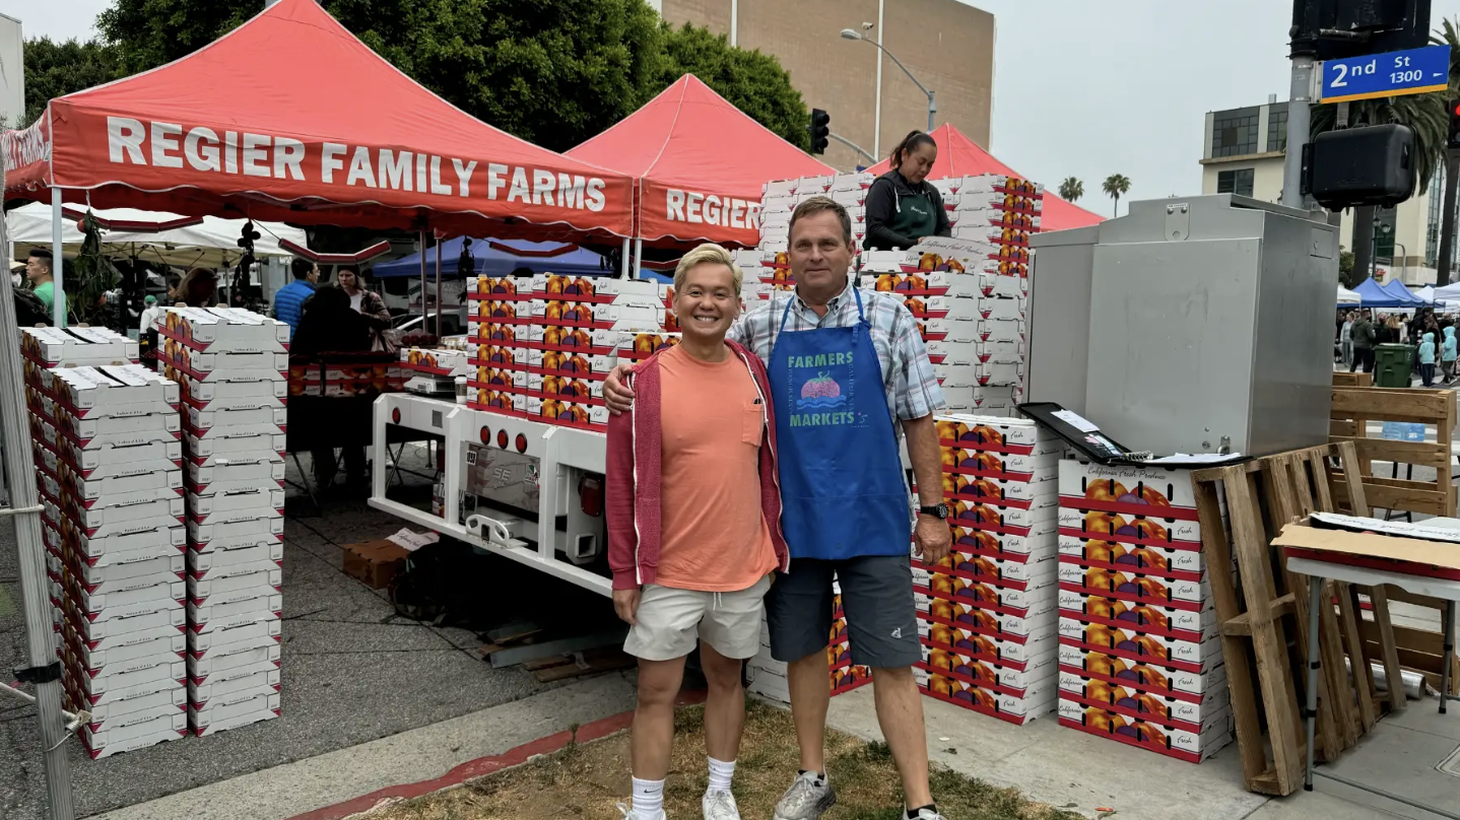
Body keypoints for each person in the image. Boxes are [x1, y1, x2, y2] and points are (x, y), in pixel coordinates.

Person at [604, 196, 953, 820]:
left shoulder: (890, 317)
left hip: (874, 518)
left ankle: (920, 804)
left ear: (852, 251)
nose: (815, 255)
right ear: (786, 256)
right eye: (803, 245)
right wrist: (623, 376)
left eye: (827, 243)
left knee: (894, 661)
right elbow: (697, 348)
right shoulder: (759, 327)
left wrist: (933, 509)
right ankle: (813, 776)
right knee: (803, 651)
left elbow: (920, 418)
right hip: (794, 528)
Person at [606, 244, 789, 820]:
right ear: (674, 301)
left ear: (737, 305)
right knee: (655, 692)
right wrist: (623, 572)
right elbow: (620, 484)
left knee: (726, 681)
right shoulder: (640, 382)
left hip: (740, 565)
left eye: (720, 293)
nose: (707, 303)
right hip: (670, 571)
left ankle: (719, 789)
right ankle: (647, 807)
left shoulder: (754, 373)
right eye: (695, 292)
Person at [292, 286, 375, 491]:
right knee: (353, 430)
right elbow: (365, 350)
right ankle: (356, 471)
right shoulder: (355, 319)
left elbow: (297, 352)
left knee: (319, 430)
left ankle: (325, 472)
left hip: (317, 392)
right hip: (353, 390)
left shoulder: (311, 319)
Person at [863, 131, 952, 251]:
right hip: (885, 264)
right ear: (904, 155)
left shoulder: (931, 194)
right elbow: (875, 228)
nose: (924, 169)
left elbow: (944, 228)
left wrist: (936, 247)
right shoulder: (884, 187)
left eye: (930, 165)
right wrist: (912, 243)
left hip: (923, 264)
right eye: (920, 162)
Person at [274, 257, 319, 339]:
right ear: (309, 274)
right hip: (300, 345)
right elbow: (312, 325)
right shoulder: (311, 295)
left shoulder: (280, 293)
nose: (318, 274)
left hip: (282, 341)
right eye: (316, 271)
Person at [25, 249, 66, 327]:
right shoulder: (57, 289)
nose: (27, 268)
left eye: (31, 265)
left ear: (44, 270)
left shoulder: (41, 292)